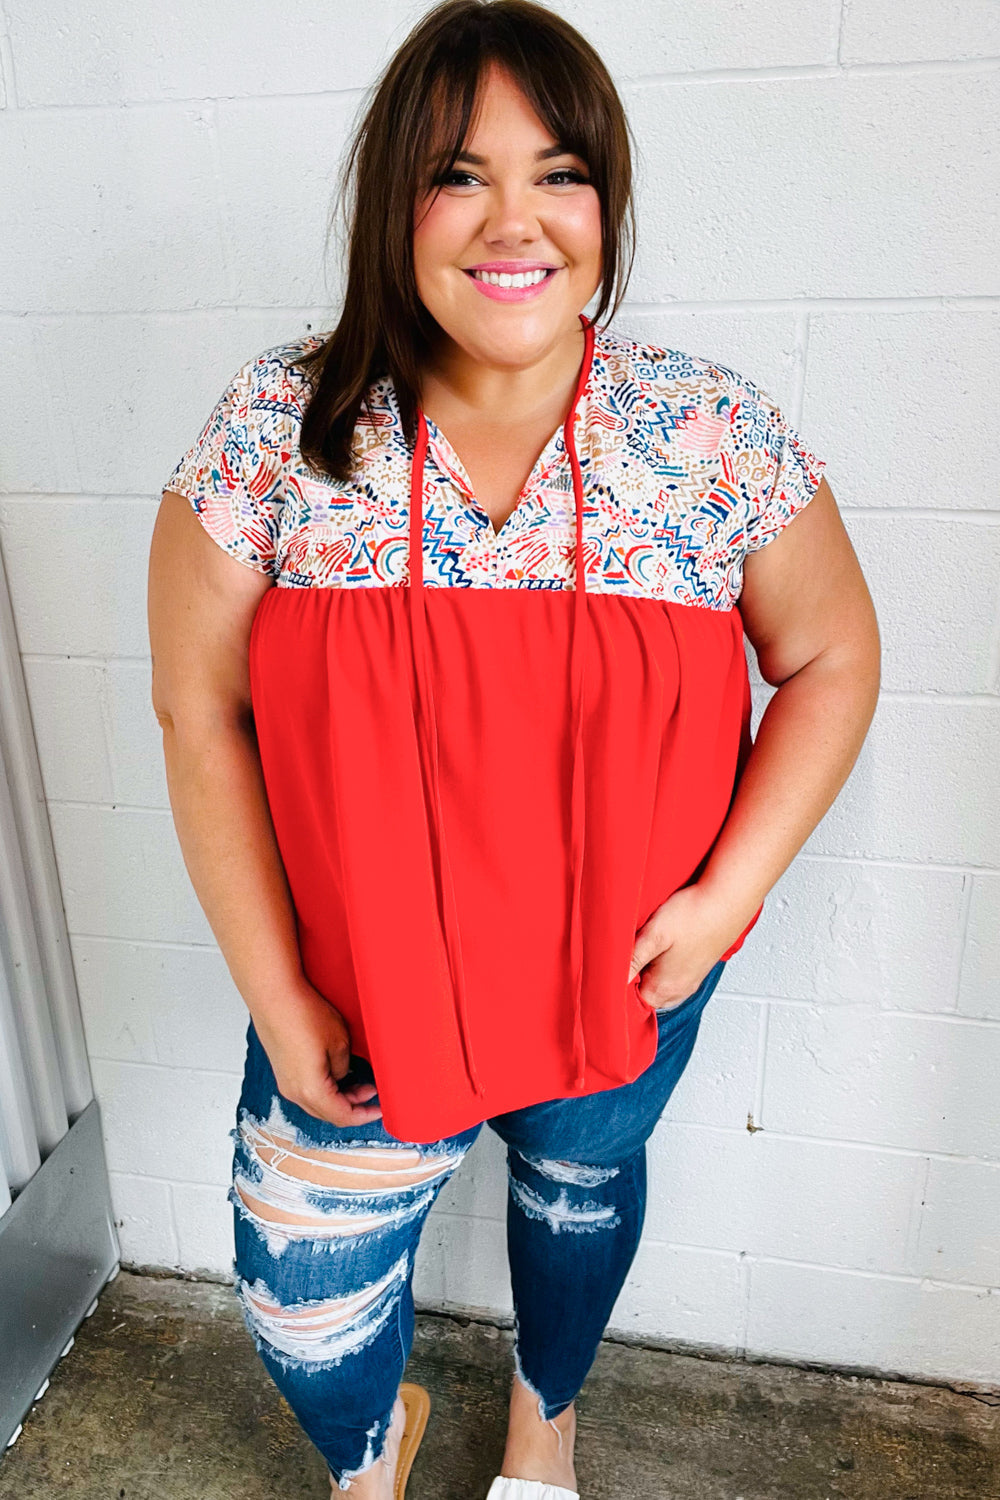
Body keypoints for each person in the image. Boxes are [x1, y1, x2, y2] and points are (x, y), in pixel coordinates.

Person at [147, 2, 881, 1495]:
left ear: (605, 203)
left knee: (576, 1198)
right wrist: (278, 996)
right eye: (457, 175)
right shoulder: (280, 426)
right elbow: (197, 712)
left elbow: (833, 659)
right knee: (302, 1297)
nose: (514, 222)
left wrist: (725, 899)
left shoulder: (709, 433)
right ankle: (370, 1453)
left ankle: (547, 1421)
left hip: (625, 971)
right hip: (356, 992)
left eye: (559, 174)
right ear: (393, 205)